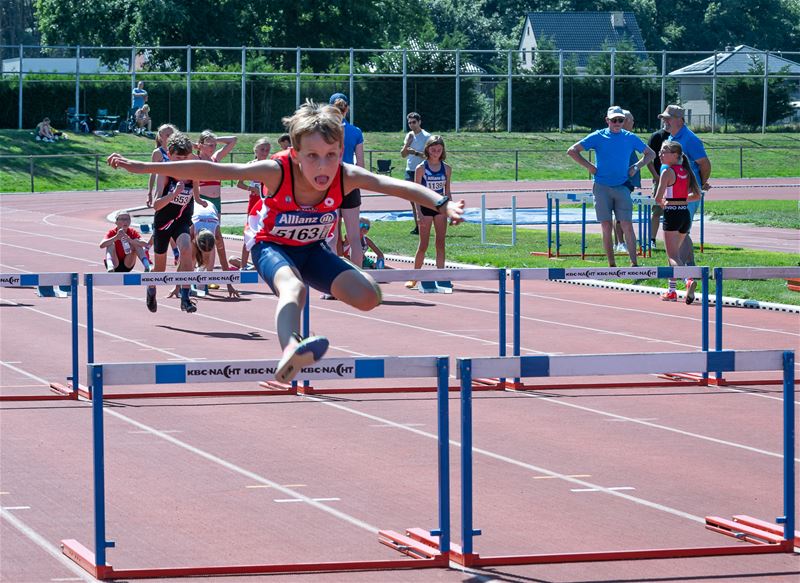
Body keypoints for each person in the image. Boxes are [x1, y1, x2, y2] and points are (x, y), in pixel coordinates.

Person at [107, 100, 465, 384]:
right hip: (270, 246)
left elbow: (396, 186)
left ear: (341, 151)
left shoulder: (345, 174)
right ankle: (290, 349)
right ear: (295, 154)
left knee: (369, 297)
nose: (323, 165)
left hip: (313, 250)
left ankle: (302, 334)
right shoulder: (275, 171)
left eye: (331, 154)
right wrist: (143, 167)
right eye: (312, 156)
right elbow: (214, 171)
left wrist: (442, 203)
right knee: (293, 288)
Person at [567, 106, 655, 267]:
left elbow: (651, 154)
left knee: (627, 224)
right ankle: (611, 265)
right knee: (606, 226)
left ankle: (634, 263)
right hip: (601, 187)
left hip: (622, 186)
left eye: (620, 120)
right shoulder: (598, 136)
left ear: (624, 121)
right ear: (607, 120)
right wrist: (589, 167)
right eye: (614, 120)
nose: (617, 123)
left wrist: (635, 167)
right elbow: (572, 151)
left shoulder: (630, 137)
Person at [139, 131, 208, 314]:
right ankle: (151, 288)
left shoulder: (191, 169)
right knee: (160, 269)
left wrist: (198, 199)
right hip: (163, 221)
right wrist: (174, 194)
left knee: (186, 248)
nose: (183, 162)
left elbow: (195, 186)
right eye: (178, 158)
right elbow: (156, 205)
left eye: (186, 158)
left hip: (182, 219)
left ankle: (185, 297)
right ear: (169, 155)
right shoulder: (165, 173)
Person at [658, 105, 712, 272]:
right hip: (674, 191)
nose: (665, 121)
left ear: (679, 120)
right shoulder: (672, 137)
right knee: (682, 232)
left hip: (684, 192)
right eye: (664, 118)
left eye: (668, 118)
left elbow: (704, 163)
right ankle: (687, 269)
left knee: (678, 235)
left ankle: (685, 270)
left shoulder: (689, 138)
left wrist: (701, 183)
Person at [653, 141, 702, 304]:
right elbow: (697, 196)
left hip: (672, 215)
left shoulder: (667, 171)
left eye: (664, 151)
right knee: (673, 255)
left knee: (673, 255)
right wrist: (679, 200)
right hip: (684, 215)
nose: (660, 154)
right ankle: (672, 291)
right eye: (660, 151)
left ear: (675, 155)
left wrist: (666, 202)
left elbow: (658, 197)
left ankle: (688, 280)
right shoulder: (686, 171)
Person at [407, 135, 452, 289]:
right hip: (425, 208)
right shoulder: (421, 168)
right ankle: (414, 277)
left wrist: (450, 210)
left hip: (440, 208)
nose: (436, 152)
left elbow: (448, 192)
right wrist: (418, 212)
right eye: (433, 149)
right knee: (423, 244)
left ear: (442, 150)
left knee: (440, 243)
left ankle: (441, 276)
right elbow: (415, 192)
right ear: (427, 149)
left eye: (439, 150)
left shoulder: (446, 168)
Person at [195, 131, 238, 274]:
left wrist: (215, 140)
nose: (213, 147)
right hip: (202, 202)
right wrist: (199, 145)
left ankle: (209, 273)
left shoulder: (215, 158)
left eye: (214, 145)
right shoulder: (196, 159)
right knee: (200, 236)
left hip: (216, 202)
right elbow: (183, 146)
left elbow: (233, 140)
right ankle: (199, 267)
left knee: (213, 236)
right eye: (210, 145)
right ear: (201, 145)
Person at [146, 123, 180, 265]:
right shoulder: (158, 153)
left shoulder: (180, 151)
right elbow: (152, 173)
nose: (168, 137)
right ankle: (153, 248)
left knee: (175, 223)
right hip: (164, 193)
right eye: (165, 135)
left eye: (171, 134)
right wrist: (149, 193)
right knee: (163, 224)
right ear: (160, 137)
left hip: (179, 193)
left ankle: (175, 250)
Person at [190, 199, 239, 298]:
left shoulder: (217, 234)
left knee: (209, 256)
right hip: (193, 208)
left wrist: (229, 285)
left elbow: (223, 261)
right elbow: (184, 259)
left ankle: (203, 274)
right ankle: (192, 282)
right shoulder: (191, 229)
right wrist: (180, 286)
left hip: (211, 209)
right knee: (191, 256)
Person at [236, 137, 272, 270]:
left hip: (267, 202)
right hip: (254, 202)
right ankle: (243, 265)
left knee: (268, 232)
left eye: (267, 150)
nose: (265, 152)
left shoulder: (271, 165)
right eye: (262, 149)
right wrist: (252, 188)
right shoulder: (250, 165)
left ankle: (265, 263)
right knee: (249, 231)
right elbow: (239, 184)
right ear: (255, 150)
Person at [612, 109, 641, 254]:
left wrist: (636, 167)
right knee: (620, 214)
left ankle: (619, 242)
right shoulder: (617, 138)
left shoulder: (629, 137)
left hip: (627, 180)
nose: (633, 123)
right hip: (619, 180)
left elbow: (647, 153)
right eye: (631, 120)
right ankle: (620, 242)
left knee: (621, 213)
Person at [401, 112, 431, 235]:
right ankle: (418, 226)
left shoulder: (427, 136)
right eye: (409, 123)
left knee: (423, 200)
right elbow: (403, 155)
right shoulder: (409, 135)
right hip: (410, 170)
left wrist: (415, 153)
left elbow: (430, 156)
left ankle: (427, 224)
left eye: (414, 122)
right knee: (413, 200)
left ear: (419, 122)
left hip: (423, 170)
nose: (412, 125)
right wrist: (407, 144)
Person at [645, 121, 671, 249]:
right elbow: (648, 160)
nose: (667, 122)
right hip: (659, 179)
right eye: (665, 119)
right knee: (656, 211)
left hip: (675, 181)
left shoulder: (680, 137)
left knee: (673, 211)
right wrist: (656, 176)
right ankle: (652, 240)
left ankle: (674, 240)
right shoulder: (656, 136)